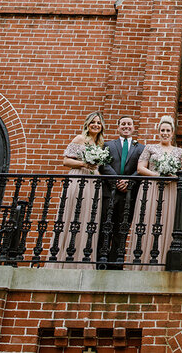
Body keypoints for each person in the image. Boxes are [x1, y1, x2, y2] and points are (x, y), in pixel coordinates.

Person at [124, 115, 182, 270]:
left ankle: (162, 262)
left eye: (168, 130)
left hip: (170, 189)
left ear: (172, 133)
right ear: (158, 131)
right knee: (148, 221)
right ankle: (142, 261)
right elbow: (140, 168)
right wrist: (158, 175)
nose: (165, 133)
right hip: (151, 187)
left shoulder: (179, 152)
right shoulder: (150, 148)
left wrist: (171, 175)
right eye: (162, 130)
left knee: (167, 221)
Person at [49, 111, 107, 268]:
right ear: (87, 124)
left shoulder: (100, 145)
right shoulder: (80, 139)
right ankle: (64, 257)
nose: (95, 125)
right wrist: (83, 164)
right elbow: (65, 160)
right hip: (78, 177)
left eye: (98, 123)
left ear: (101, 127)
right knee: (73, 214)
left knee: (88, 217)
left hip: (93, 181)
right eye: (93, 122)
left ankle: (82, 259)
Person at [99, 115, 144, 266]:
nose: (126, 126)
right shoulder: (108, 145)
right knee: (105, 226)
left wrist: (129, 181)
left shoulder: (141, 148)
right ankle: (101, 261)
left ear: (133, 127)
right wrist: (117, 180)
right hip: (110, 193)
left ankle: (116, 263)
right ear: (118, 127)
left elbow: (142, 168)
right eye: (123, 124)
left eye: (129, 124)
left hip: (128, 195)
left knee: (122, 228)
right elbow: (104, 165)